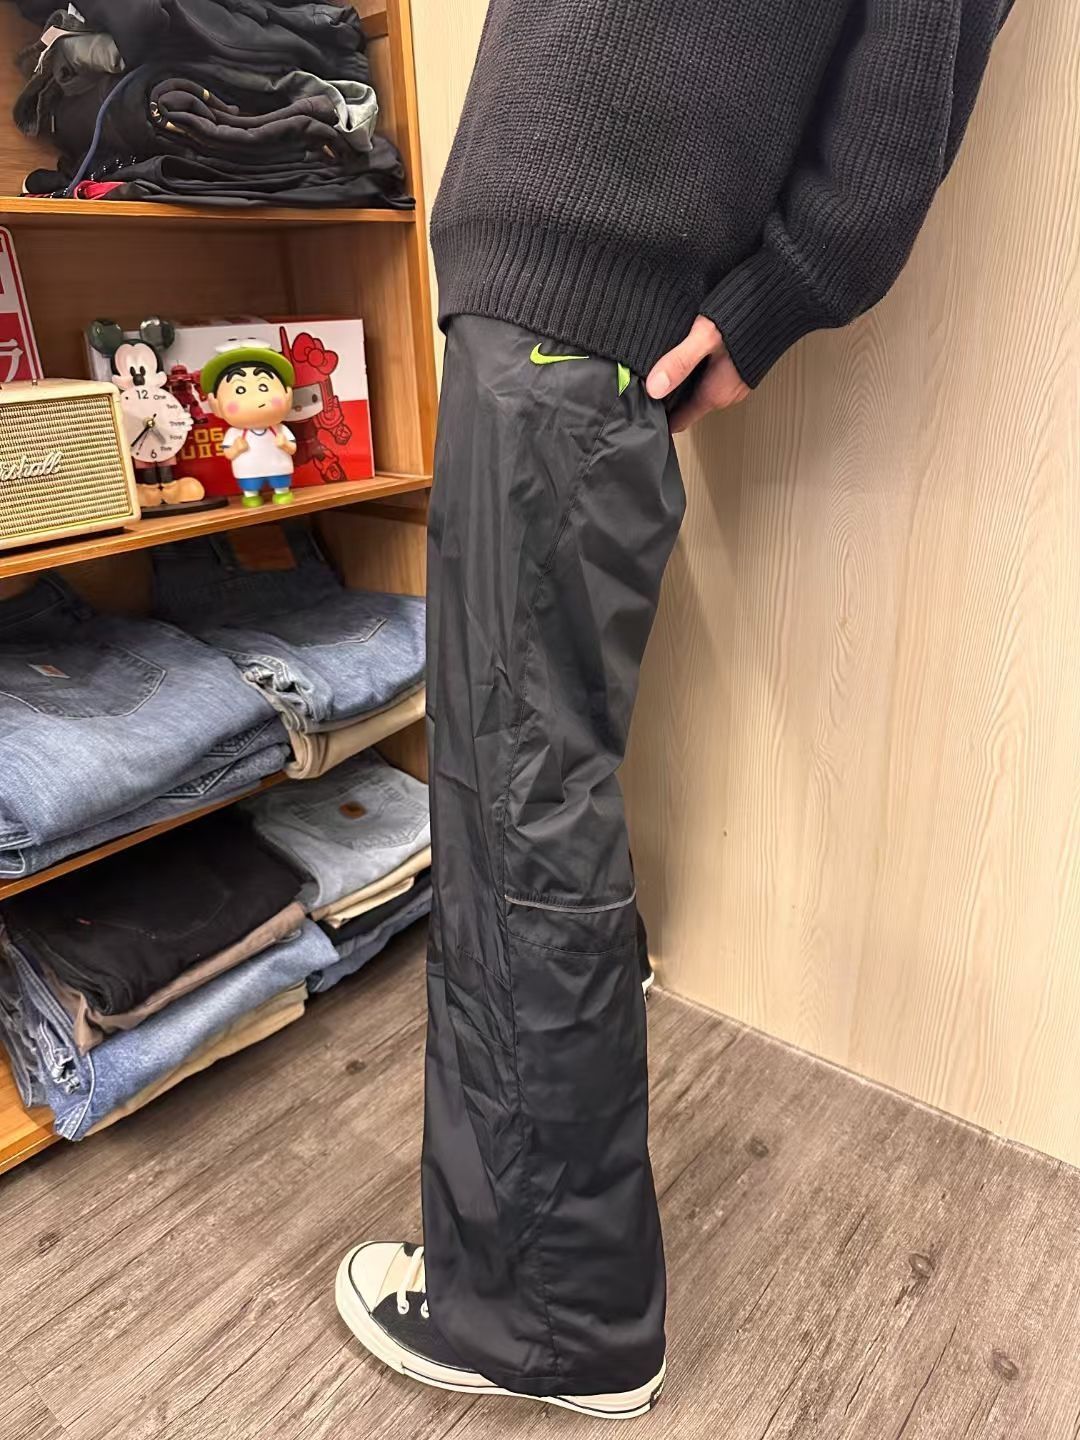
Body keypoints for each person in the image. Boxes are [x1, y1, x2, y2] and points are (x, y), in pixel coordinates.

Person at [335, 0, 1015, 1418]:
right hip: (548, 300)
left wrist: (784, 289)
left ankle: (552, 1323)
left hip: (573, 307)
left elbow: (924, 57)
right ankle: (542, 1285)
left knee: (522, 814)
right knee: (522, 801)